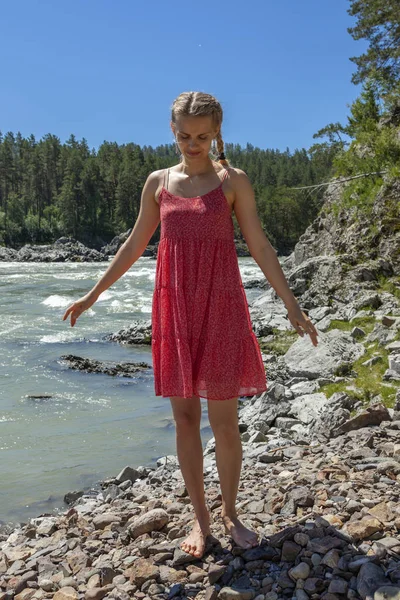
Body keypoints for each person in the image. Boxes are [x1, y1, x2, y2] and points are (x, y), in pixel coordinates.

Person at [63, 91, 319, 559]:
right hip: (175, 307)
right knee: (184, 419)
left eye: (202, 136)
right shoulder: (159, 182)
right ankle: (201, 521)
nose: (192, 144)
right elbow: (135, 242)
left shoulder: (232, 181)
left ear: (217, 133)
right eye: (184, 135)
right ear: (172, 130)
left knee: (225, 423)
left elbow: (260, 246)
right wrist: (93, 293)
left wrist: (291, 305)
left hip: (221, 307)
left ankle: (232, 514)